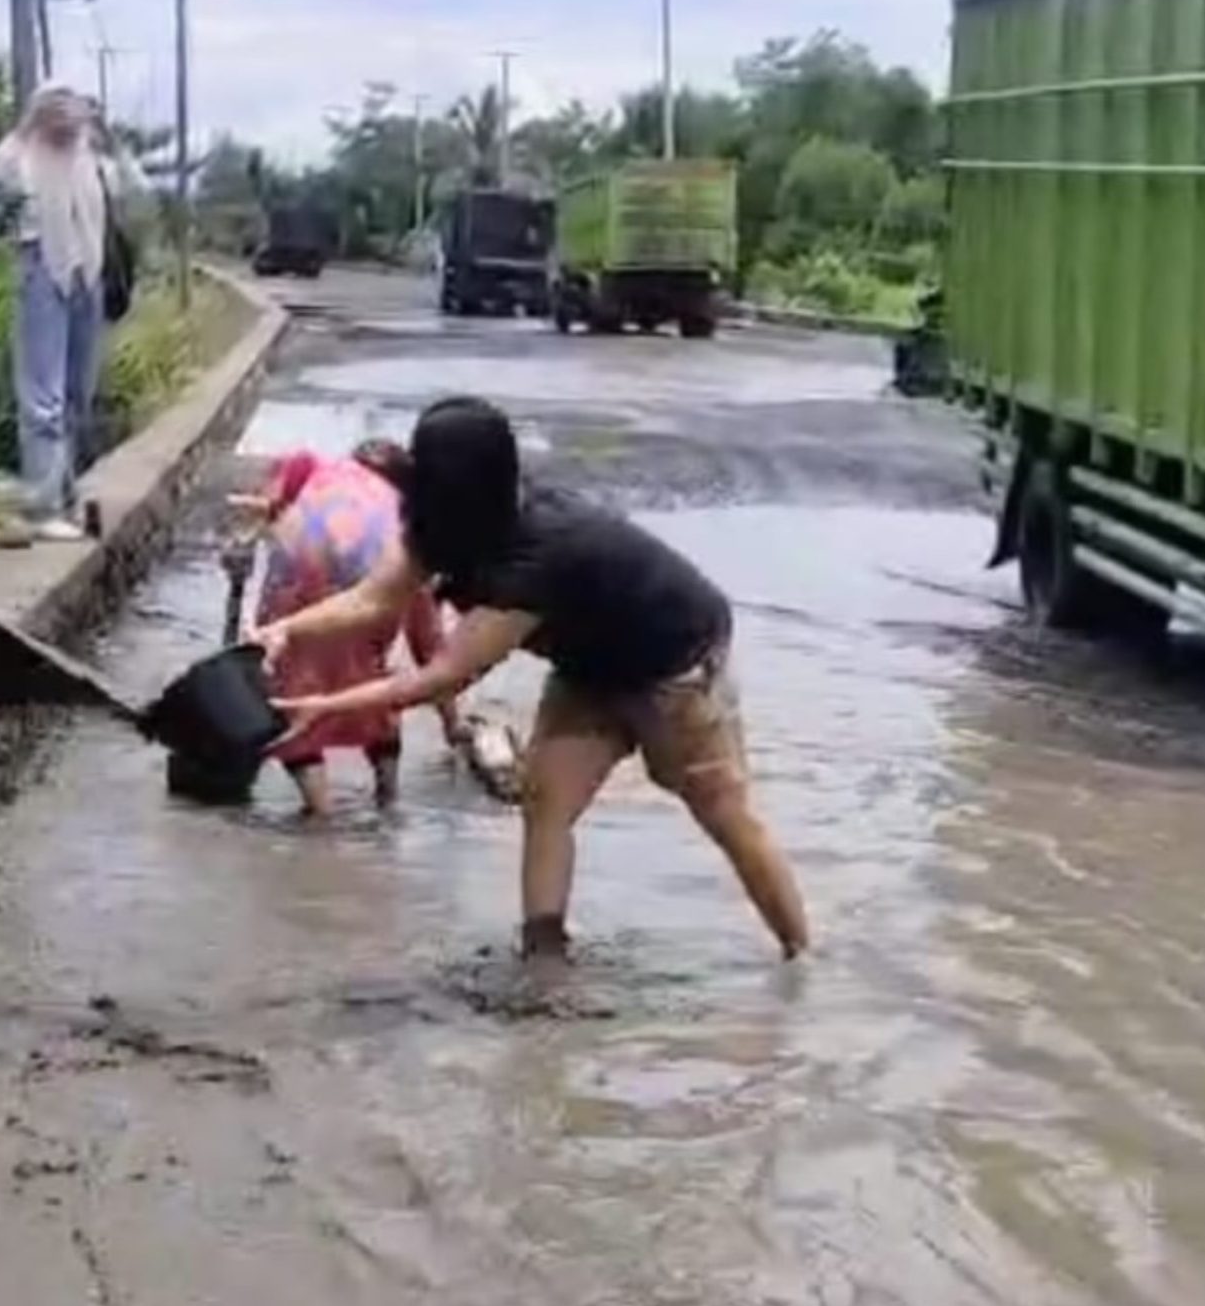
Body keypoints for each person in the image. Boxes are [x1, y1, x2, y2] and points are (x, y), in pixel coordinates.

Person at [252, 394, 810, 960]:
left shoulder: (535, 556)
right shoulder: (434, 525)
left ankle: (801, 957)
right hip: (589, 664)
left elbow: (439, 679)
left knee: (721, 810)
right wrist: (287, 631)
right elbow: (372, 600)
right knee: (546, 804)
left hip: (675, 661)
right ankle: (543, 962)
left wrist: (323, 707)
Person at [237, 445, 463, 816]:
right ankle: (388, 802)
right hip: (376, 561)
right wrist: (452, 724)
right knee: (370, 676)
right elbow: (429, 646)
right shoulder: (404, 512)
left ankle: (320, 812)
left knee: (294, 685)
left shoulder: (319, 472)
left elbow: (275, 503)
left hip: (300, 561)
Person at [0, 83, 112, 541]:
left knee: (79, 393)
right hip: (40, 270)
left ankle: (65, 495)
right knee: (44, 396)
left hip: (87, 273)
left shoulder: (85, 155)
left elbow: (111, 205)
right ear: (41, 116)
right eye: (60, 116)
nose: (68, 125)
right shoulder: (13, 157)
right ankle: (41, 508)